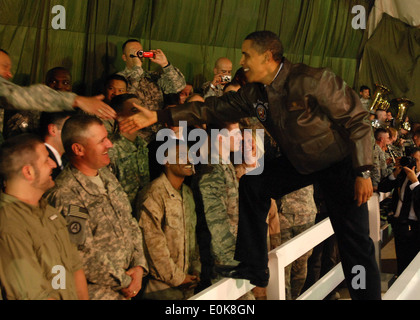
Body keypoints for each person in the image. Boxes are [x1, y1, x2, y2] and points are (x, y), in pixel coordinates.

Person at [119, 30, 381, 300]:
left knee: (355, 243)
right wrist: (160, 115)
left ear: (267, 57)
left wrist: (363, 171)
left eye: (246, 54)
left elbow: (358, 121)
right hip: (301, 163)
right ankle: (255, 267)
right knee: (253, 184)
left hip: (341, 164)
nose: (241, 60)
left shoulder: (313, 79)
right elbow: (210, 109)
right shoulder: (254, 93)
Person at [44, 114, 148, 300]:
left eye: (107, 137)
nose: (110, 144)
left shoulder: (106, 175)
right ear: (78, 149)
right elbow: (82, 253)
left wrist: (139, 267)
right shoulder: (66, 193)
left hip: (128, 286)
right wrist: (125, 281)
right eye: (102, 141)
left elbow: (129, 220)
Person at [0, 134, 89, 300]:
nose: (54, 164)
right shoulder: (9, 225)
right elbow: (33, 296)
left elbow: (75, 269)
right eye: (46, 160)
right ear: (28, 171)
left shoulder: (50, 213)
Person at [134, 143, 201, 300]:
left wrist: (196, 270)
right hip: (161, 289)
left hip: (187, 285)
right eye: (181, 156)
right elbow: (152, 244)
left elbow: (193, 238)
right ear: (167, 161)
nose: (189, 160)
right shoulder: (154, 194)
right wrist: (177, 278)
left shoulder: (187, 193)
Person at [118, 39, 186, 143]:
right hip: (135, 137)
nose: (138, 55)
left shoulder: (152, 76)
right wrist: (137, 69)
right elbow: (126, 97)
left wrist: (165, 65)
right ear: (124, 57)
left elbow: (178, 86)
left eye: (140, 51)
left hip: (159, 137)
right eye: (133, 52)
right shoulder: (119, 78)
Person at [378, 148, 420, 275]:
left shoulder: (415, 178)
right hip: (399, 224)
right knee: (401, 263)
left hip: (415, 227)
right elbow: (382, 187)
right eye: (411, 159)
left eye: (416, 160)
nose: (413, 163)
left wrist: (415, 182)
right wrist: (395, 173)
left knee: (413, 266)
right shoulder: (402, 174)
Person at [108, 94, 150, 206]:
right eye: (134, 110)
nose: (141, 113)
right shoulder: (110, 148)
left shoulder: (142, 145)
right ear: (118, 116)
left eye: (142, 108)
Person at [278, 185, 317, 300]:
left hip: (306, 213)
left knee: (301, 264)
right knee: (283, 265)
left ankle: (295, 297)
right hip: (282, 214)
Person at [38, 111, 72, 180]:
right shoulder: (40, 162)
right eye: (69, 129)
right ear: (53, 130)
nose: (74, 134)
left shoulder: (67, 160)